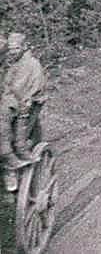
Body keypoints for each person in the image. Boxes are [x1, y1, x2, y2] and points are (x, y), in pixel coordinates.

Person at [1, 33, 48, 194]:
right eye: (10, 49)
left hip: (19, 103)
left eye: (16, 48)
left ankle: (10, 160)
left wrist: (25, 100)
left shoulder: (31, 65)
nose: (12, 52)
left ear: (23, 47)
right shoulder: (9, 63)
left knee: (3, 118)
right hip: (10, 99)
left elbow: (29, 88)